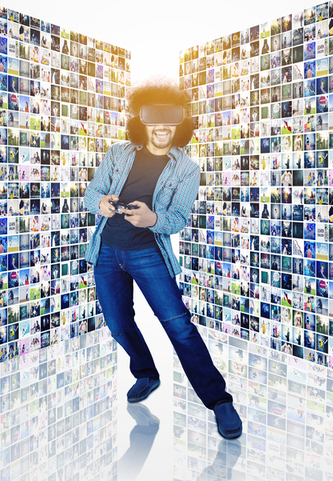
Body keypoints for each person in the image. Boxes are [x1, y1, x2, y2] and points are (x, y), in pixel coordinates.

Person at [84, 79, 241, 439]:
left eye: (170, 118)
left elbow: (179, 218)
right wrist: (101, 203)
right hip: (107, 251)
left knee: (179, 326)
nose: (161, 127)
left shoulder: (186, 168)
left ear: (180, 122)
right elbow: (92, 191)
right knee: (118, 323)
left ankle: (219, 401)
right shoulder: (118, 153)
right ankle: (146, 373)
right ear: (142, 120)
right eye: (153, 117)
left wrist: (153, 219)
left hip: (148, 254)